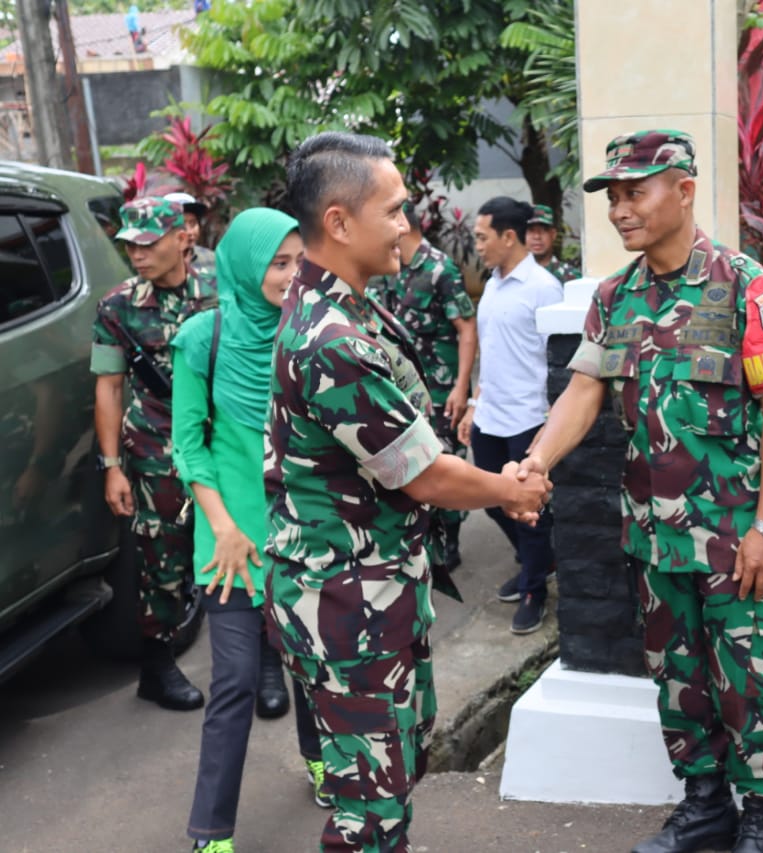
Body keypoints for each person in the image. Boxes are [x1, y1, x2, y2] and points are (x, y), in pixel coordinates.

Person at [516, 130, 763, 853]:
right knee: (678, 676)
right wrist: (536, 461)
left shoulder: (747, 287)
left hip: (737, 535)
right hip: (654, 535)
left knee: (750, 675)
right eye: (612, 197)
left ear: (683, 189)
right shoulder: (615, 297)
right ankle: (705, 804)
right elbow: (583, 392)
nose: (620, 210)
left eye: (634, 192)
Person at [265, 131, 550, 853]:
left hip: (367, 595)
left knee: (388, 778)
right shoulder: (330, 338)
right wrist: (509, 489)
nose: (406, 225)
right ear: (337, 221)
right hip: (347, 608)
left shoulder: (347, 304)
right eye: (392, 210)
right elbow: (421, 472)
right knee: (370, 812)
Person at [172, 208, 327, 853]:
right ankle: (211, 833)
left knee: (314, 668)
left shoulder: (312, 332)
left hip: (304, 538)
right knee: (234, 682)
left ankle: (320, 761)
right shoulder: (201, 339)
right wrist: (223, 527)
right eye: (278, 262)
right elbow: (188, 447)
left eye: (300, 262)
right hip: (229, 543)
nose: (292, 276)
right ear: (243, 264)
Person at [92, 196, 217, 712]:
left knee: (247, 546)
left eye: (147, 243)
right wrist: (112, 467)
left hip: (217, 442)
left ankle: (268, 664)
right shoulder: (117, 306)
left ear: (182, 238)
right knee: (160, 559)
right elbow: (108, 387)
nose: (136, 254)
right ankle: (157, 665)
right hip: (153, 450)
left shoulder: (219, 293)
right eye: (129, 245)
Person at [455, 196, 562, 635]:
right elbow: (493, 354)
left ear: (509, 237)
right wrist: (475, 404)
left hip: (529, 418)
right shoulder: (494, 285)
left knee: (528, 511)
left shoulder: (543, 288)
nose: (477, 245)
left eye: (482, 237)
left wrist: (551, 424)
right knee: (492, 500)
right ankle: (541, 561)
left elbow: (557, 362)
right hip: (491, 416)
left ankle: (535, 589)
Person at [367, 202, 478, 572]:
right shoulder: (390, 269)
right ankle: (424, 541)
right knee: (413, 465)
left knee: (444, 463)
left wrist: (463, 387)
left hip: (442, 388)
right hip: (406, 392)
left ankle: (451, 544)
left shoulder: (439, 269)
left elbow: (466, 329)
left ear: (405, 225)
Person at [165, 191, 217, 285]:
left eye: (193, 224)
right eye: (181, 225)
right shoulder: (156, 263)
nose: (189, 232)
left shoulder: (212, 259)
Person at [525, 203, 580, 284]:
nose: (537, 236)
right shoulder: (514, 275)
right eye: (531, 230)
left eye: (543, 230)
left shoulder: (570, 276)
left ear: (553, 234)